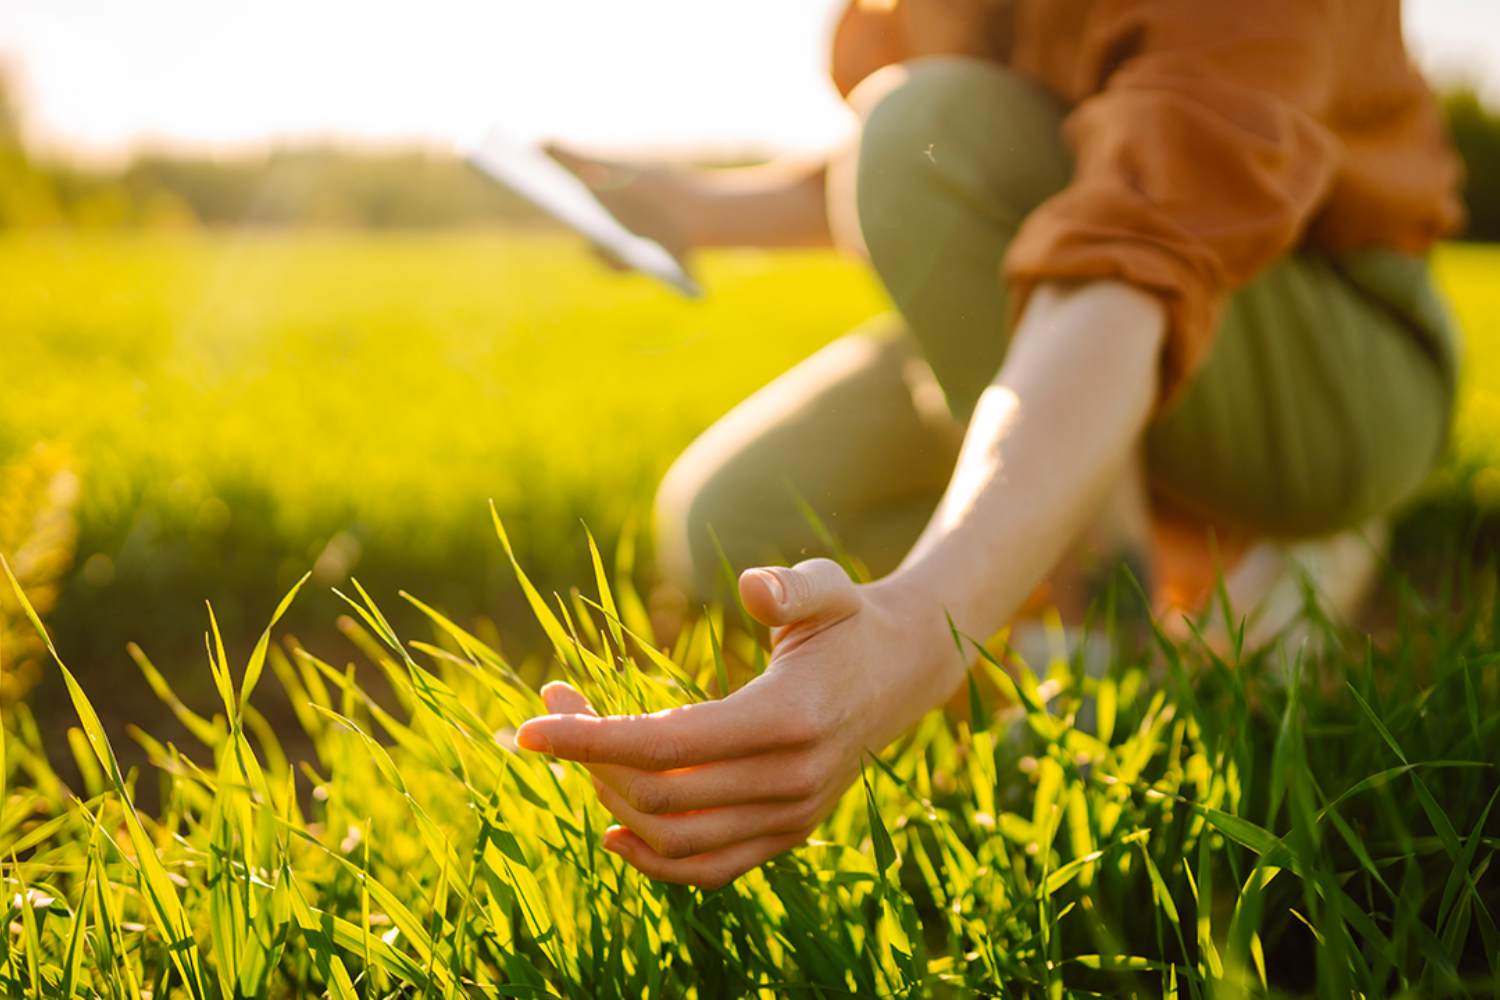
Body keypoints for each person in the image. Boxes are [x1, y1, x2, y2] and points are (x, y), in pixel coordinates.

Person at [517, 0, 1465, 890]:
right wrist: (686, 208)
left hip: (1333, 351)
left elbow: (1127, 234)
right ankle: (1167, 554)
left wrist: (920, 625)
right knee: (734, 520)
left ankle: (1116, 656)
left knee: (920, 124)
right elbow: (944, 149)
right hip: (1086, 287)